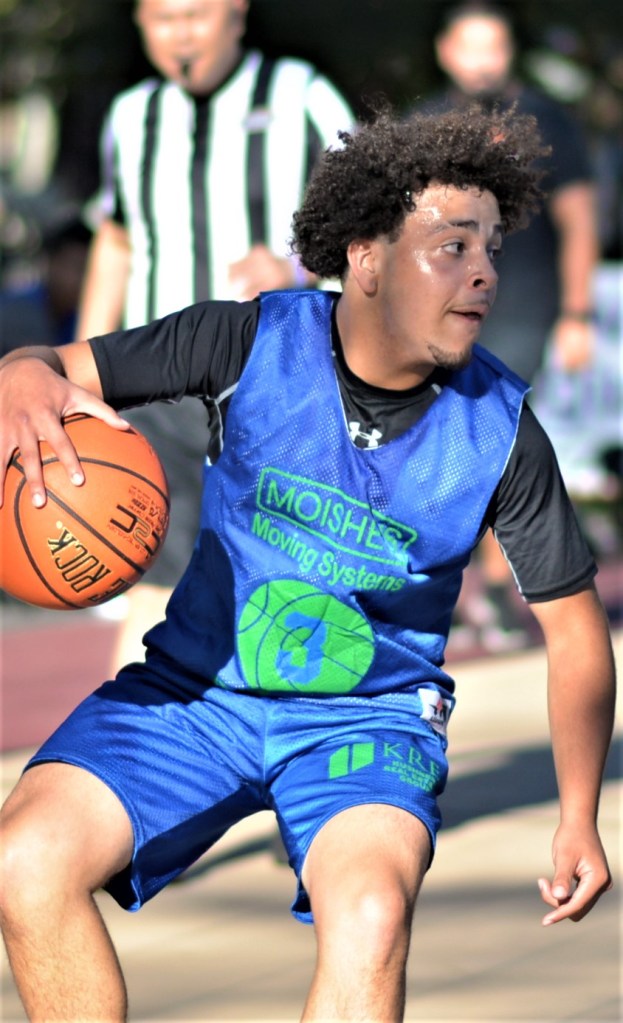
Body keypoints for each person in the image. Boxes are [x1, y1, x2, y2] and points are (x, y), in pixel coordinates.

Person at [0, 104, 615, 1023]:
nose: (484, 270)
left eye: (490, 248)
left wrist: (578, 816)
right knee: (24, 858)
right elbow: (48, 364)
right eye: (451, 246)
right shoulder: (248, 341)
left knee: (368, 915)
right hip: (198, 689)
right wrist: (20, 371)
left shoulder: (500, 432)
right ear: (365, 256)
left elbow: (574, 634)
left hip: (366, 720)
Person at [76, 0, 353, 669]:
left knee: (289, 579)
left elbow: (375, 223)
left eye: (195, 16)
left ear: (236, 12)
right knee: (158, 580)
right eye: (162, 20)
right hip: (159, 387)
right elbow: (116, 239)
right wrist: (81, 370)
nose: (180, 35)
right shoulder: (131, 116)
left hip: (279, 380)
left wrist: (295, 266)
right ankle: (133, 731)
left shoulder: (302, 96)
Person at [412, 1, 601, 651]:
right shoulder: (422, 125)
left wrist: (576, 313)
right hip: (440, 312)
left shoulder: (546, 119)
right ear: (445, 51)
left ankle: (495, 585)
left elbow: (579, 219)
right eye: (470, 46)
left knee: (493, 440)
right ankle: (461, 586)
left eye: (493, 46)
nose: (482, 61)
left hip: (523, 305)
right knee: (445, 449)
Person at [0, 217, 92, 356]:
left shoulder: (82, 316)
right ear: (52, 262)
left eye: (90, 271)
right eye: (77, 267)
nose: (82, 278)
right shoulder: (12, 311)